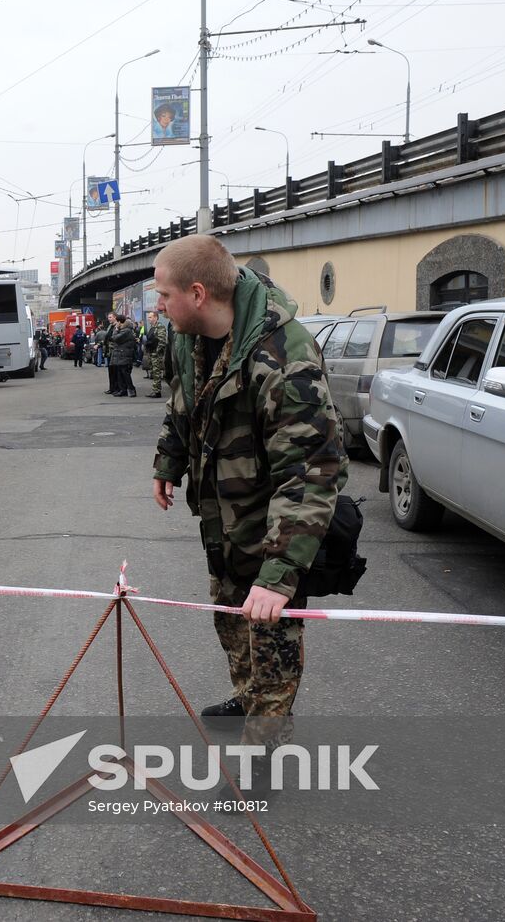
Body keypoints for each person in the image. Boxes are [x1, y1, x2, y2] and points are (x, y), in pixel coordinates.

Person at [150, 234, 346, 756]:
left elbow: (311, 469)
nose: (157, 305)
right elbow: (182, 405)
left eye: (163, 294)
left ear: (197, 293)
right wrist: (169, 459)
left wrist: (280, 575)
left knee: (272, 641)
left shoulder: (283, 356)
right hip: (223, 523)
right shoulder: (188, 340)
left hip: (272, 531)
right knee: (232, 623)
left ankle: (266, 751)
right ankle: (247, 699)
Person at [108, 314, 138, 396]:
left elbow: (114, 338)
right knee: (121, 373)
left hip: (124, 354)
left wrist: (116, 329)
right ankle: (123, 390)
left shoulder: (126, 331)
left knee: (125, 373)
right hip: (122, 354)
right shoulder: (125, 330)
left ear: (119, 322)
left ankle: (131, 389)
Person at [144, 312, 169, 399]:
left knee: (156, 373)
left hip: (156, 354)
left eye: (150, 317)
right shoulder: (152, 327)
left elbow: (162, 341)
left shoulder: (160, 327)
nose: (149, 319)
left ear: (156, 317)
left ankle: (157, 392)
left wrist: (157, 352)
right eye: (149, 317)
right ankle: (155, 390)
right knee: (154, 373)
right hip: (152, 353)